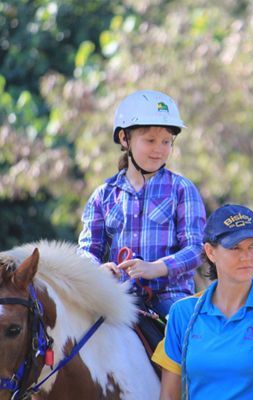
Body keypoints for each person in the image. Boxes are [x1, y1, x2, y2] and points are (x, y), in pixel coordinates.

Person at [152, 204, 253, 400]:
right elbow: (168, 395)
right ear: (211, 252)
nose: (246, 257)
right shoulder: (183, 313)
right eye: (235, 248)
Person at [78, 89, 206, 317]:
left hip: (172, 298)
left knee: (192, 339)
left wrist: (157, 268)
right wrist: (98, 269)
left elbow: (196, 249)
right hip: (118, 296)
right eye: (150, 140)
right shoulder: (103, 195)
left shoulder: (182, 189)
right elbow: (87, 250)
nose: (159, 149)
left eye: (166, 141)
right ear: (124, 139)